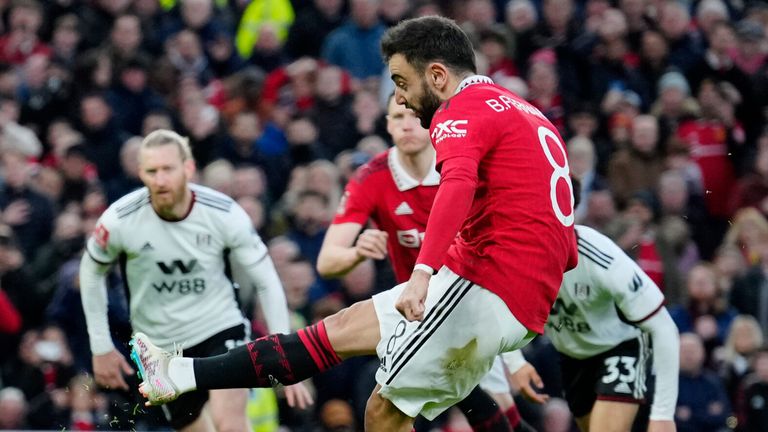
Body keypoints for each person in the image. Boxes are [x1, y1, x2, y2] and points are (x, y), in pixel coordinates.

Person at [130, 16, 577, 432]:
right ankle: (177, 372)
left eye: (402, 83)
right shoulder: (524, 111)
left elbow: (457, 184)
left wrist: (423, 273)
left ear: (438, 76)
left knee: (382, 410)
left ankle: (176, 373)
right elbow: (564, 237)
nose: (400, 97)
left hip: (484, 281)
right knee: (339, 332)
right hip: (509, 288)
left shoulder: (460, 110)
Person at [316, 94, 532, 431]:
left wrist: (514, 358)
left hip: (477, 305)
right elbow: (328, 262)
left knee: (499, 410)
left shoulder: (462, 167)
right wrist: (357, 252)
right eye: (396, 117)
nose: (406, 124)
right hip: (419, 317)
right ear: (386, 125)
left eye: (413, 116)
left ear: (432, 122)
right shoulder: (371, 177)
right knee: (392, 406)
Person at [79, 129, 312, 431]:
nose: (160, 179)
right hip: (159, 346)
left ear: (188, 168)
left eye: (168, 169)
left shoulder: (224, 213)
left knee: (231, 424)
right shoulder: (120, 220)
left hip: (219, 327)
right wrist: (100, 346)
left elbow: (267, 279)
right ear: (140, 173)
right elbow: (90, 270)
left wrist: (282, 350)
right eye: (152, 171)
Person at [508, 218, 679, 430]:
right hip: (572, 356)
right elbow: (501, 308)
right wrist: (514, 362)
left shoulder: (600, 256)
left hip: (621, 345)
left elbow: (664, 326)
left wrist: (663, 414)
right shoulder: (517, 254)